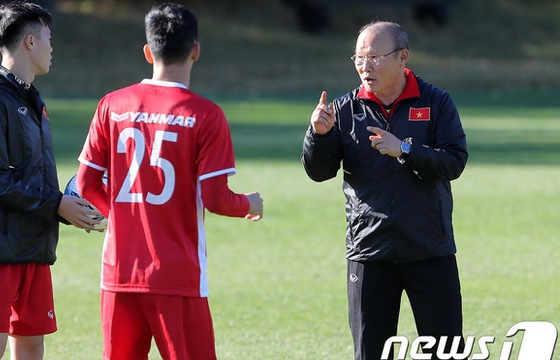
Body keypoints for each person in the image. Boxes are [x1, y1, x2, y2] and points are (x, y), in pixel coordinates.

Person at [75, 3, 264, 359]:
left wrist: (119, 218)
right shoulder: (205, 115)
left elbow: (86, 184)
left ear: (148, 51)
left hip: (120, 272)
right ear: (196, 50)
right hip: (177, 276)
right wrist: (249, 204)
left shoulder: (111, 104)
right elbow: (217, 198)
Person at [301, 21, 468, 360]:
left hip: (429, 250)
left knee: (446, 353)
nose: (365, 66)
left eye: (375, 57)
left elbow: (454, 162)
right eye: (359, 58)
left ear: (402, 57)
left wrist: (405, 150)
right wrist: (317, 136)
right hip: (369, 253)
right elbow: (319, 173)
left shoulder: (436, 102)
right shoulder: (344, 110)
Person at [0, 2, 101, 359]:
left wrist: (68, 209)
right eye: (49, 38)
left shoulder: (34, 101)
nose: (53, 47)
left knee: (32, 347)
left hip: (33, 245)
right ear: (30, 43)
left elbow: (32, 178)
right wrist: (56, 204)